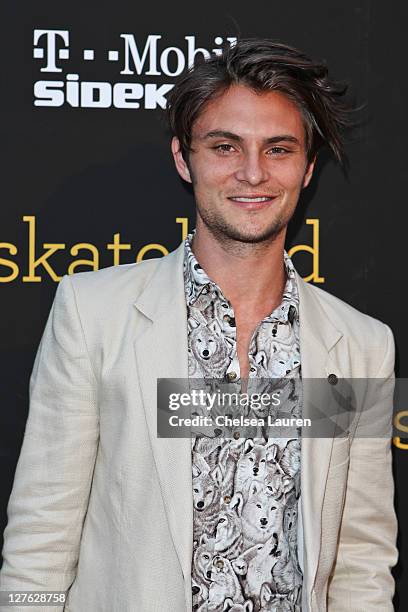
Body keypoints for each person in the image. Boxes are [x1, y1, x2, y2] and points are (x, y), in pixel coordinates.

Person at [0, 39, 397, 612]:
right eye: (225, 146)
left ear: (308, 167)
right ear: (185, 159)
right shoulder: (95, 314)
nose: (253, 173)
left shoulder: (360, 345)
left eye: (278, 148)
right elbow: (42, 532)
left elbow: (361, 555)